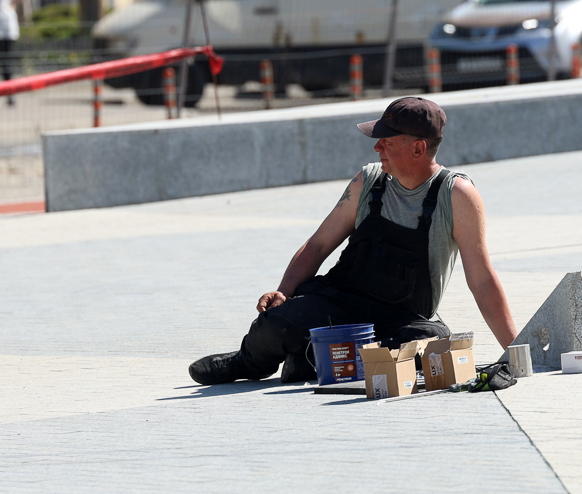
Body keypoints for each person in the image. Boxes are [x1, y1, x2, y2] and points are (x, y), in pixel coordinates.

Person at [189, 97, 518, 385]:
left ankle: (312, 359)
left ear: (418, 148)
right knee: (275, 324)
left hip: (400, 317)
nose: (377, 148)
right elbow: (317, 246)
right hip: (340, 301)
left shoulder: (456, 195)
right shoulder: (368, 181)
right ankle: (247, 362)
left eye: (386, 141)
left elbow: (482, 279)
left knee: (431, 343)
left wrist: (514, 350)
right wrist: (284, 293)